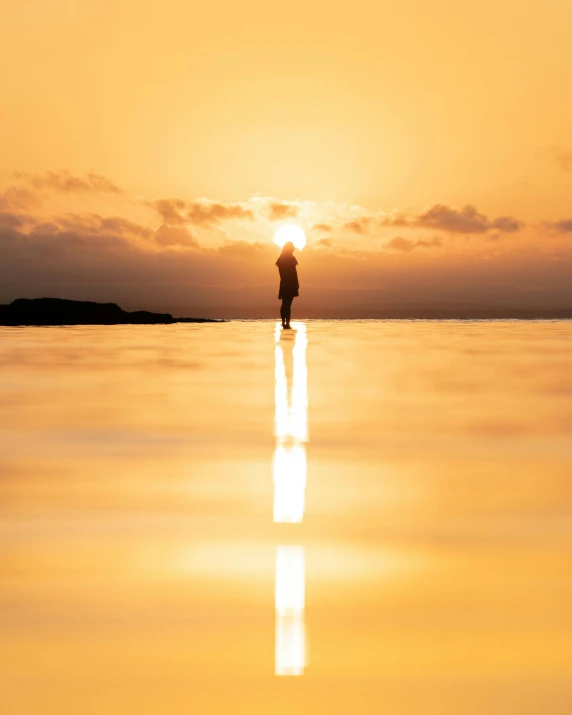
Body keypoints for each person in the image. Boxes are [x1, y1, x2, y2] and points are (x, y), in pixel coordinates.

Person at [275, 241, 299, 329]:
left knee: (286, 303)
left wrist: (296, 282)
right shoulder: (284, 259)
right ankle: (285, 322)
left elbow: (294, 272)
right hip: (287, 283)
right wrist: (293, 282)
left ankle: (286, 322)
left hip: (290, 283)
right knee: (286, 303)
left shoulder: (287, 258)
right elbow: (283, 273)